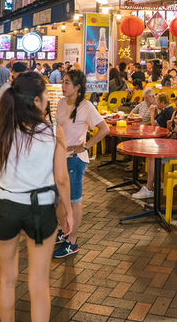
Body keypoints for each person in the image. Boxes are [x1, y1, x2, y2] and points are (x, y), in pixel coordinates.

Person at [0, 72, 73, 322]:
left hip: (6, 206)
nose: (47, 98)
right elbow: (61, 179)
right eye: (45, 94)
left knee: (7, 278)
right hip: (40, 208)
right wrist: (67, 210)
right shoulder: (53, 132)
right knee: (38, 281)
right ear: (36, 100)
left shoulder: (1, 130)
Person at [54, 70, 109, 258]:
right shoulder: (61, 103)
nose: (63, 85)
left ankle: (73, 242)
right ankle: (65, 230)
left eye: (67, 82)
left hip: (75, 160)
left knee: (74, 201)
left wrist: (86, 146)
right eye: (63, 81)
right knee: (59, 199)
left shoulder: (86, 106)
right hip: (60, 158)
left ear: (77, 87)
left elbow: (104, 129)